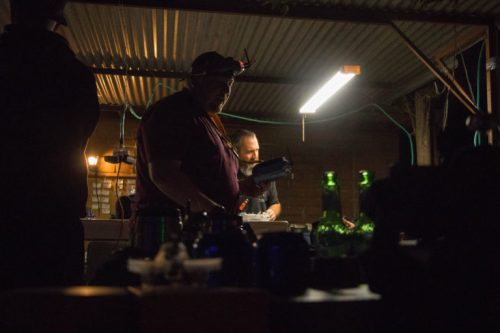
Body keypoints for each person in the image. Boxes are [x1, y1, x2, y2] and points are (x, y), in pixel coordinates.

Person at [0, 0, 100, 289]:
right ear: (57, 20)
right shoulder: (74, 74)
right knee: (54, 310)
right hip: (54, 215)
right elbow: (84, 129)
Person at [135, 51, 264, 244]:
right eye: (217, 83)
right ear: (195, 81)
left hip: (202, 231)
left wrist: (241, 186)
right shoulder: (174, 112)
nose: (225, 91)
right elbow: (165, 175)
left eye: (228, 85)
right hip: (170, 233)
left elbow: (205, 174)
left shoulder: (207, 120)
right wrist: (214, 212)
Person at [231, 129, 282, 221]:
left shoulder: (265, 174)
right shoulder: (230, 174)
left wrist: (272, 212)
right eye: (250, 152)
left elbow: (275, 203)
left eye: (257, 150)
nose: (255, 156)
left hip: (260, 230)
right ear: (236, 152)